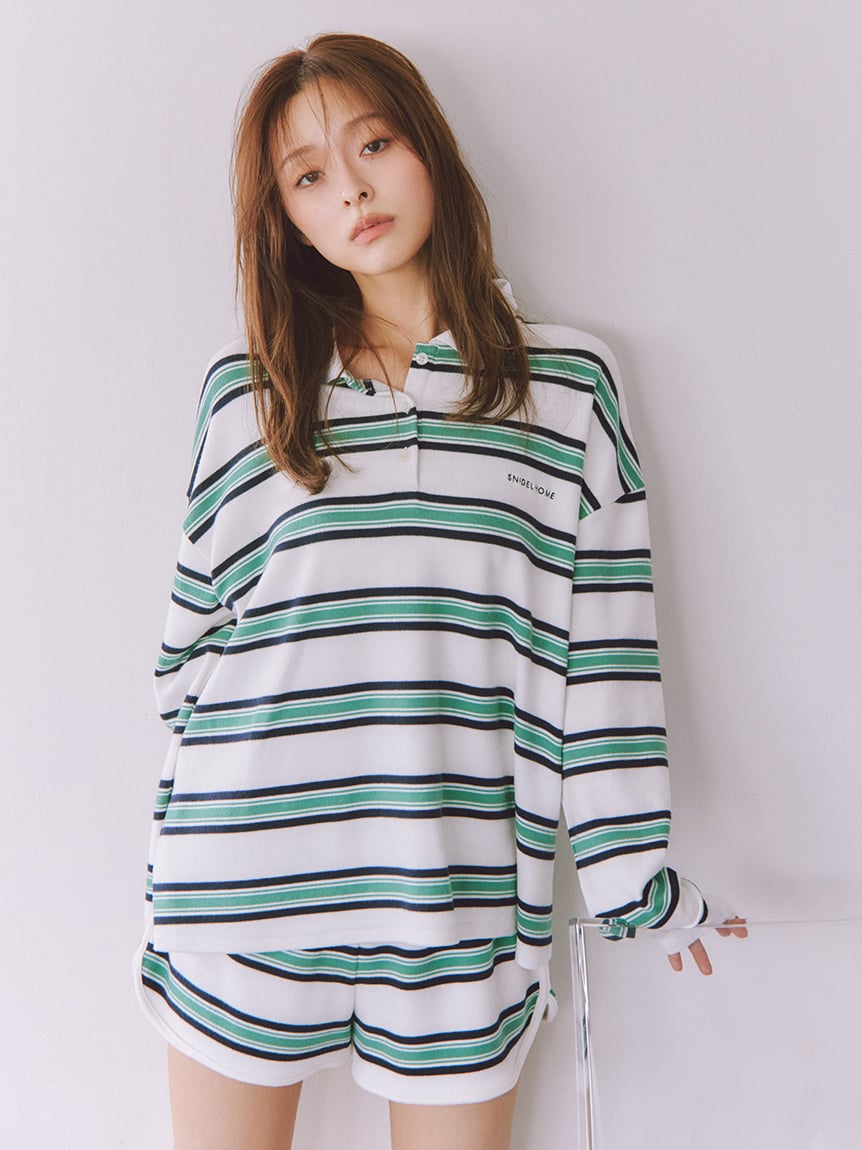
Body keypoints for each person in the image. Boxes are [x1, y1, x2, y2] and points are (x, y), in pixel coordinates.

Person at [134, 32, 747, 1150]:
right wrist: (179, 858)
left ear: (429, 149)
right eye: (308, 175)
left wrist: (632, 879)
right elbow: (189, 662)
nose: (351, 190)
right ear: (287, 221)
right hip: (242, 889)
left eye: (373, 145)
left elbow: (602, 658)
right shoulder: (248, 395)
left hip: (459, 903)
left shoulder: (567, 390)